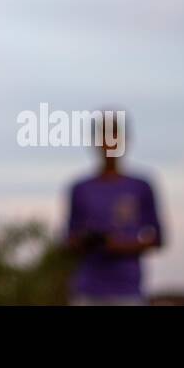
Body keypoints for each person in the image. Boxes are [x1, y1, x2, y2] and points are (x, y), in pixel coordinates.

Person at [65, 119, 163, 305]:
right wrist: (87, 241)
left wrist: (119, 245)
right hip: (87, 290)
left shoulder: (140, 187)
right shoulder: (81, 188)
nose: (109, 143)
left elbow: (157, 238)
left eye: (114, 137)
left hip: (127, 290)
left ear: (124, 141)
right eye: (104, 137)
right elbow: (68, 239)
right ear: (95, 141)